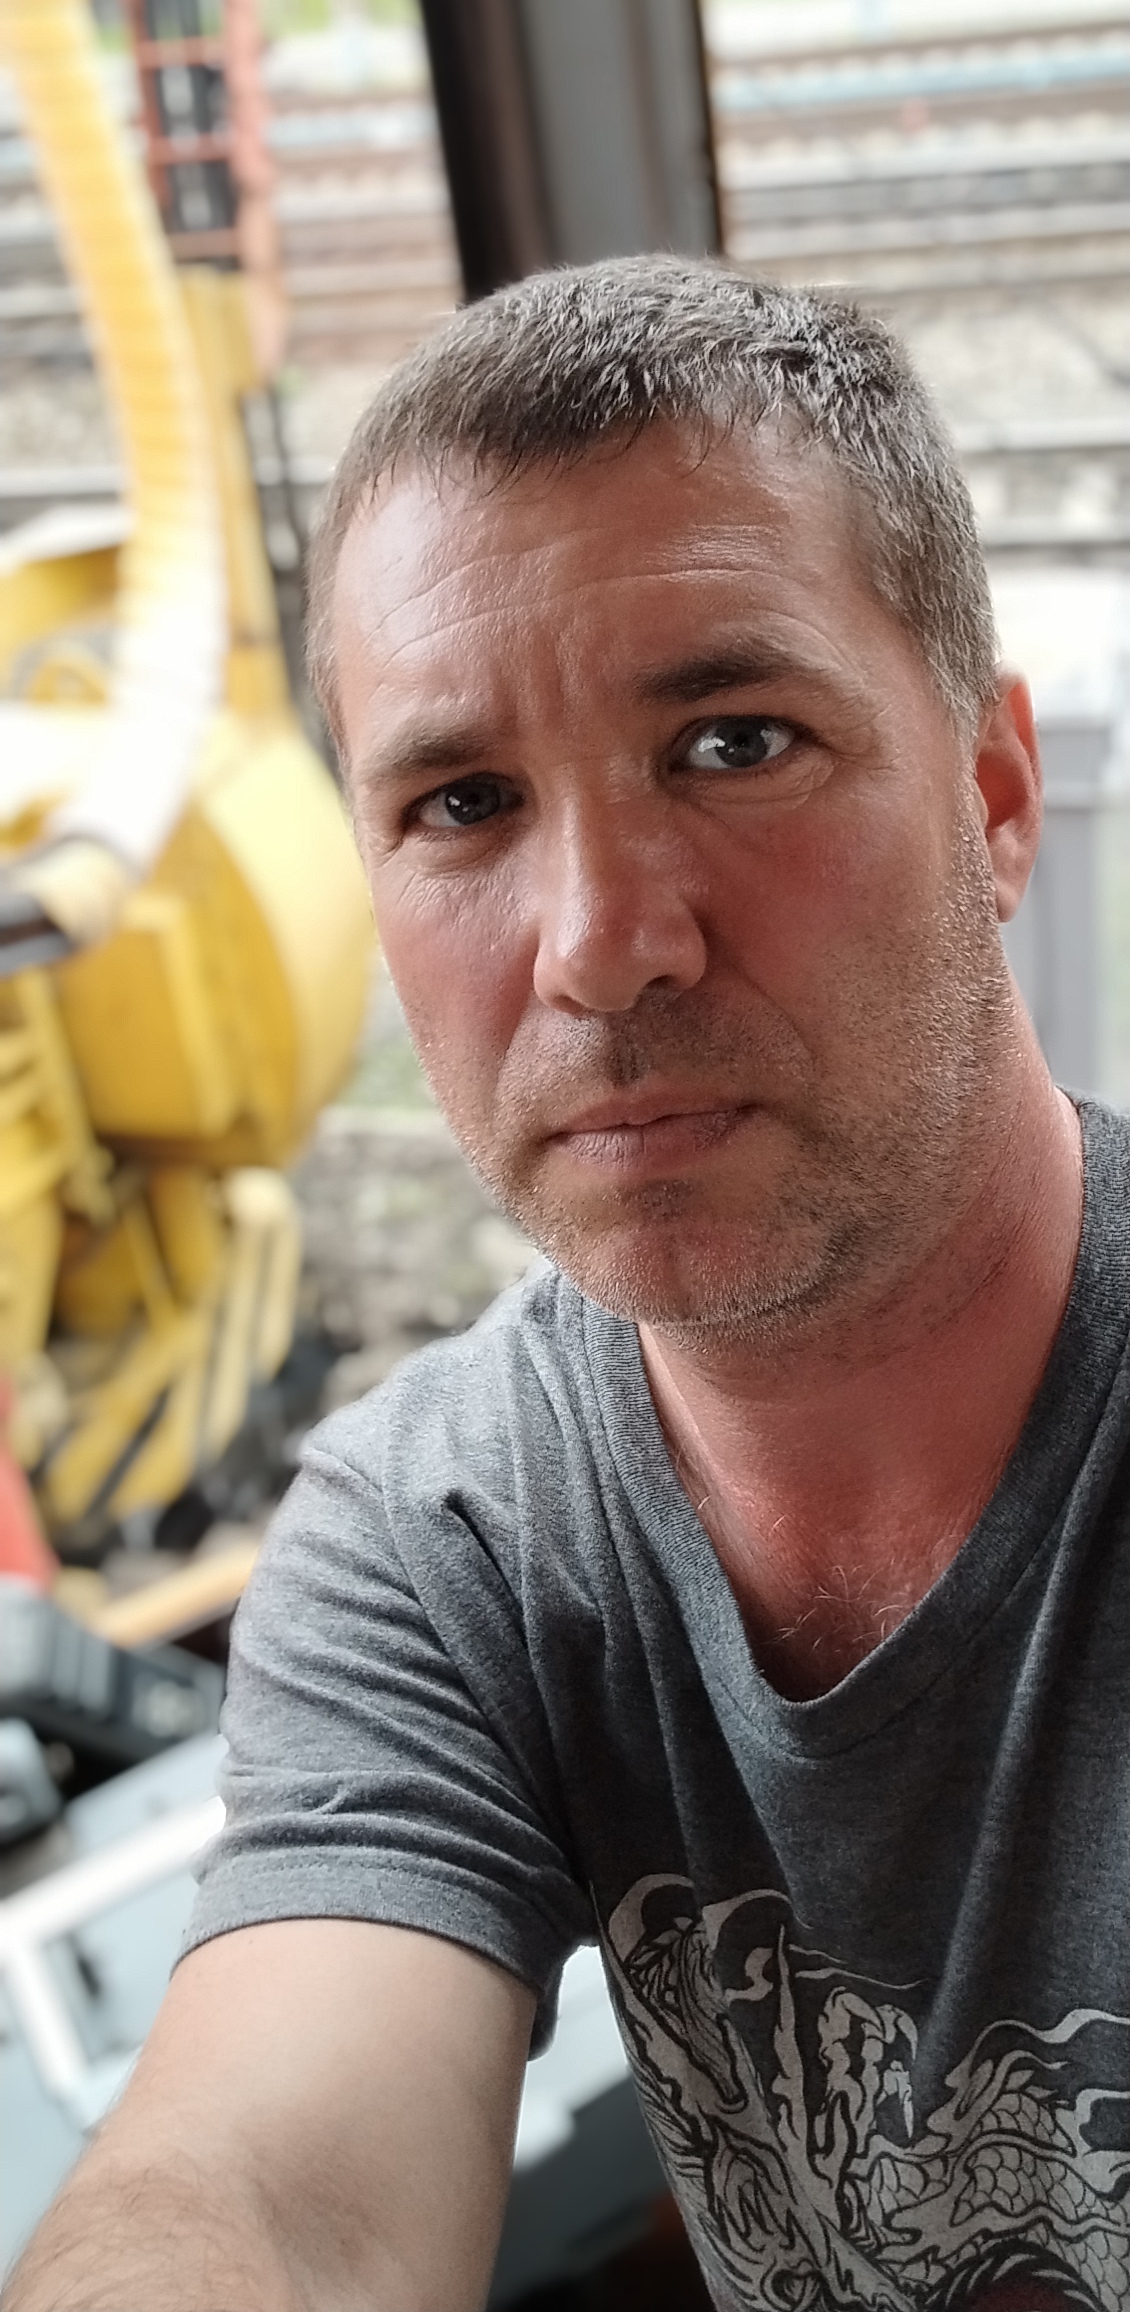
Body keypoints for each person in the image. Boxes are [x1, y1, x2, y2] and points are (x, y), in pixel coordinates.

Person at [7, 258, 1127, 2312]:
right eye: (462, 804)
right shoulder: (439, 1541)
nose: (600, 944)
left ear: (989, 795)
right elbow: (271, 2201)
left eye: (731, 742)